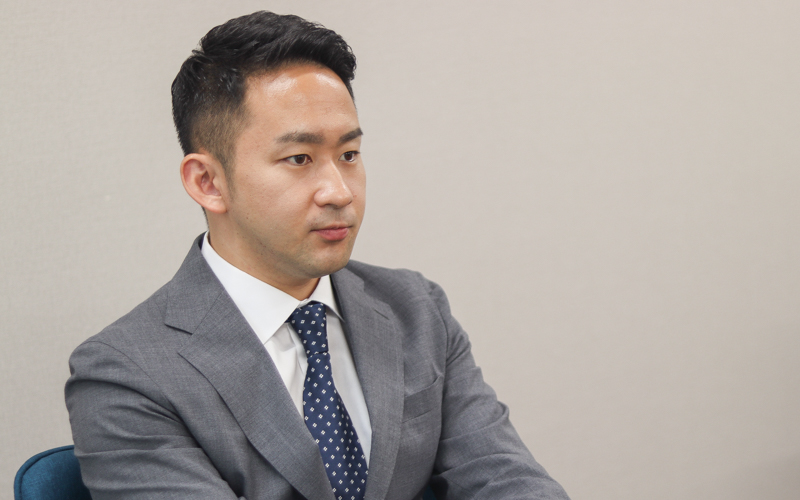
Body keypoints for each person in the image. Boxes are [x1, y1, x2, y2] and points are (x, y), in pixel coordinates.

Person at [65, 11, 570, 500]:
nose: (339, 191)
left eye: (348, 155)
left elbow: (504, 478)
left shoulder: (417, 309)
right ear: (208, 182)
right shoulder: (126, 374)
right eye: (299, 159)